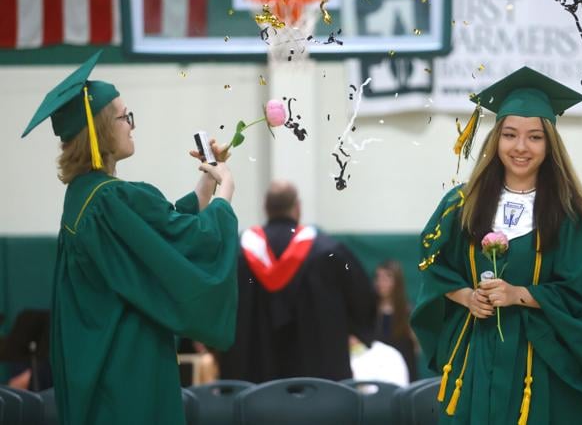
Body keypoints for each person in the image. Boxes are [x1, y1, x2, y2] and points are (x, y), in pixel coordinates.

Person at [20, 51, 239, 425]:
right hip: (125, 369)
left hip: (99, 365)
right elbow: (183, 241)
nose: (131, 125)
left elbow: (157, 234)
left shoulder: (86, 196)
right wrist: (226, 195)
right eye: (124, 117)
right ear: (101, 129)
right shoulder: (109, 199)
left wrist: (207, 180)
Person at [410, 67, 582, 424]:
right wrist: (466, 296)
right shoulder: (461, 204)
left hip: (542, 359)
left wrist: (520, 295)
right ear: (496, 139)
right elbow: (430, 262)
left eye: (535, 137)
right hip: (477, 354)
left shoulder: (573, 215)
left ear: (550, 144)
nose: (520, 147)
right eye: (510, 135)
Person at [219, 180, 376, 382]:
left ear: (266, 208)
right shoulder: (328, 252)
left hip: (252, 388)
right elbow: (363, 301)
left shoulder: (237, 253)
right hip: (320, 386)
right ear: (298, 207)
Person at [374, 260, 419, 381]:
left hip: (402, 374)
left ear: (397, 282)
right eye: (378, 277)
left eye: (386, 277)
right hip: (377, 373)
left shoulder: (407, 312)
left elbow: (416, 348)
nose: (380, 282)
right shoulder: (371, 312)